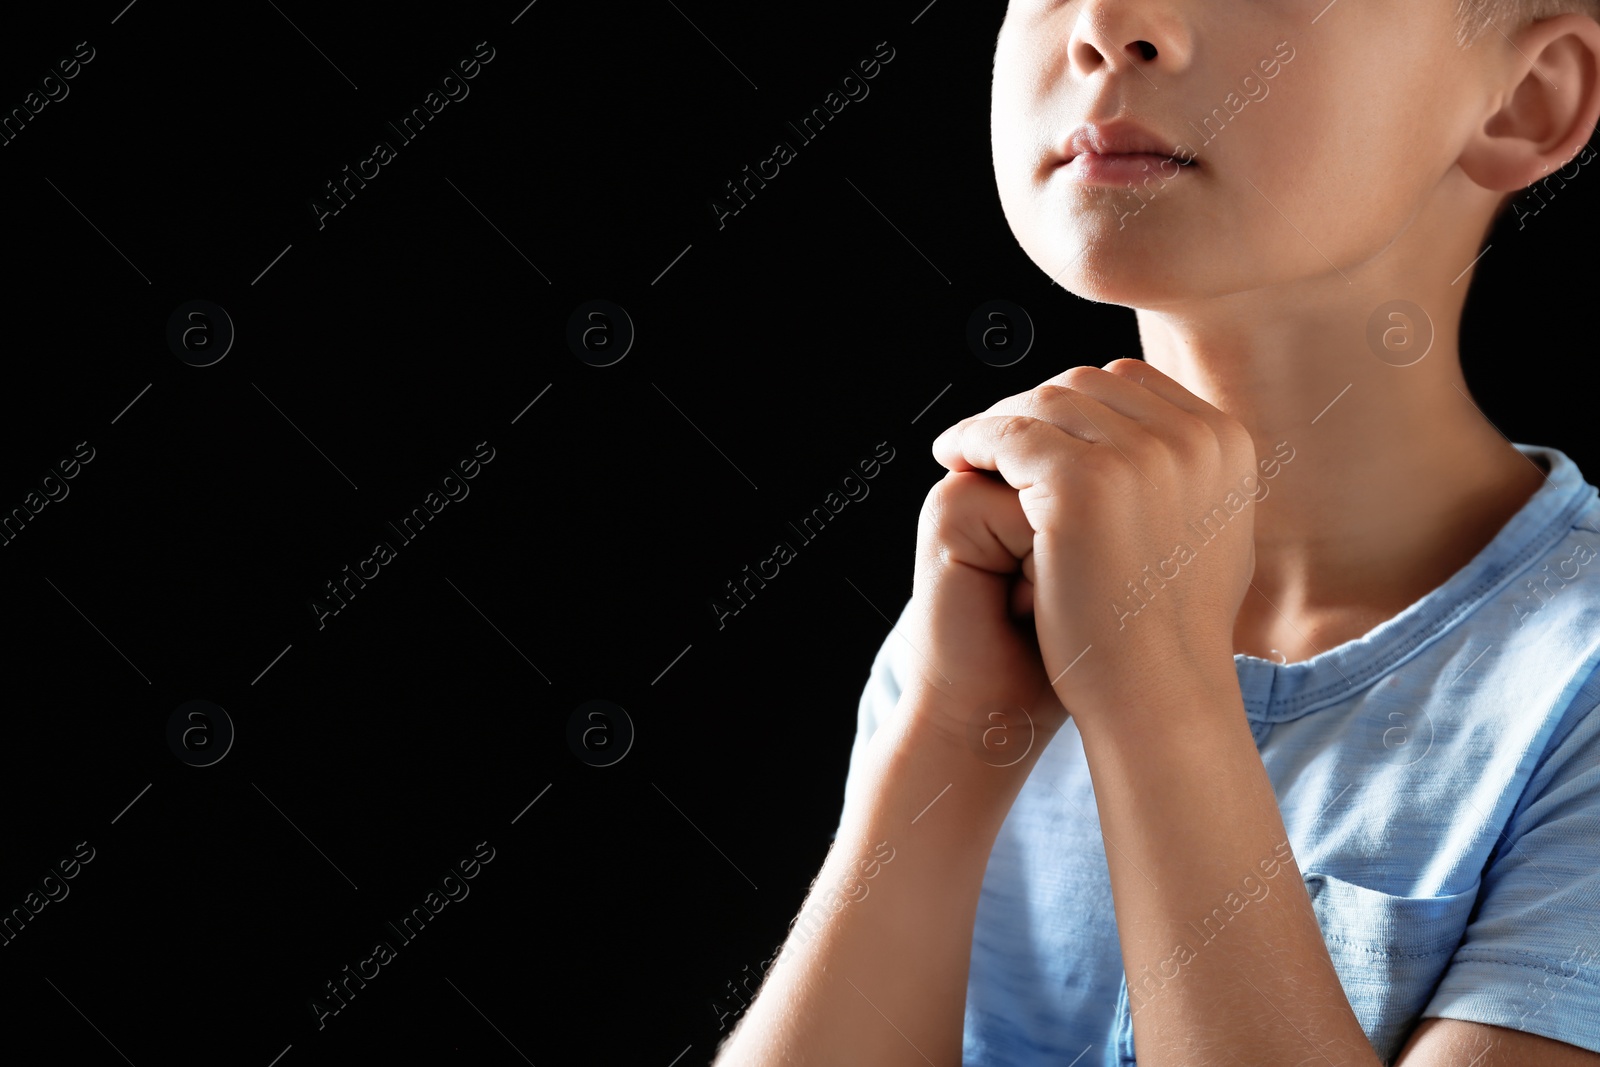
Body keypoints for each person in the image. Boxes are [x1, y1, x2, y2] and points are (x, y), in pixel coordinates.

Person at [711, 0, 1600, 1064]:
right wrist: (950, 731)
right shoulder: (981, 613)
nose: (1107, 23)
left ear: (1528, 97)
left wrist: (1158, 696)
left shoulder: (1571, 685)